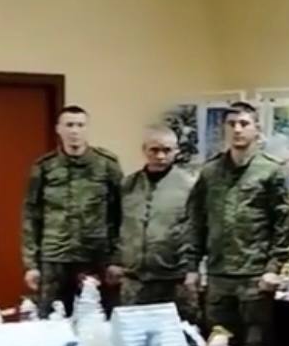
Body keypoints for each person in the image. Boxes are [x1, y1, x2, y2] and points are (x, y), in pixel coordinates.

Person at [187, 102, 289, 346]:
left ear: (257, 129)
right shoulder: (210, 172)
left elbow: (283, 223)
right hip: (218, 275)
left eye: (244, 124)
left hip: (254, 275)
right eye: (232, 124)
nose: (237, 129)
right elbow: (196, 220)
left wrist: (274, 268)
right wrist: (192, 266)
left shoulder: (272, 170)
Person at [22, 106, 123, 316]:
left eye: (80, 125)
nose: (74, 131)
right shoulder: (44, 167)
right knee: (52, 318)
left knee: (101, 317)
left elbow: (121, 213)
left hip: (96, 256)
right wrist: (31, 264)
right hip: (55, 256)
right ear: (58, 129)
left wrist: (118, 260)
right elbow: (31, 215)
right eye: (69, 125)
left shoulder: (106, 165)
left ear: (87, 129)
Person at [109, 125, 199, 322]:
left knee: (176, 335)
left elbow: (198, 228)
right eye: (154, 150)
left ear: (176, 151)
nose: (160, 156)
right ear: (144, 150)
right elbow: (115, 224)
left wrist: (194, 269)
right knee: (133, 333)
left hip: (174, 278)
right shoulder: (128, 185)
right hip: (134, 279)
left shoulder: (189, 186)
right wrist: (115, 261)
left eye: (167, 150)